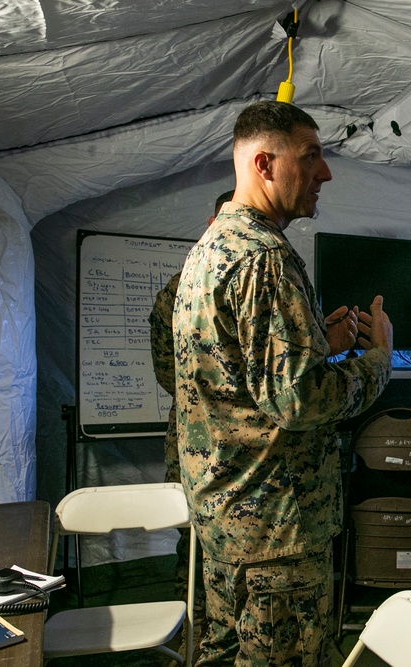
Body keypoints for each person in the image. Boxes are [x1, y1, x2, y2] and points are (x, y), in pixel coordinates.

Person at [173, 100, 394, 667]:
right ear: (265, 164)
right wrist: (377, 360)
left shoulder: (211, 251)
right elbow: (302, 401)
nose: (325, 173)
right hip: (278, 535)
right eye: (312, 156)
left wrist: (317, 344)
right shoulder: (266, 260)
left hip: (227, 523)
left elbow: (240, 380)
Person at [148, 188, 233, 658]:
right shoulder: (258, 283)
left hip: (191, 444)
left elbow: (169, 376)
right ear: (211, 224)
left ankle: (196, 641)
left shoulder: (176, 290)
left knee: (198, 556)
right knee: (202, 555)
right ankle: (199, 638)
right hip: (221, 455)